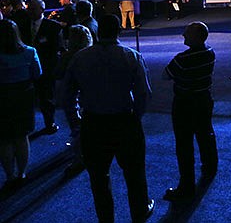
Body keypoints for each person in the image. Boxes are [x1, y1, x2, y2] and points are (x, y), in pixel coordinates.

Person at [62, 15, 154, 222]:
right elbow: (144, 93)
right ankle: (139, 211)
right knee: (134, 173)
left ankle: (106, 217)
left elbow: (66, 94)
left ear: (97, 31)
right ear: (119, 31)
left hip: (93, 123)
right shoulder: (131, 56)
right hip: (124, 121)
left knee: (98, 176)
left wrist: (76, 120)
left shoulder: (80, 57)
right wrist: (135, 116)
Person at [163, 22, 217, 201]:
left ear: (194, 37)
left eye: (186, 33)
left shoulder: (182, 59)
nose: (183, 35)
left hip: (184, 103)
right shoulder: (210, 53)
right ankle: (210, 167)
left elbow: (166, 74)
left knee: (184, 144)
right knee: (205, 134)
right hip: (204, 99)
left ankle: (186, 186)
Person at [0, 19, 41, 192]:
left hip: (2, 96)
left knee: (5, 138)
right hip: (23, 96)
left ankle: (9, 175)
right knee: (21, 136)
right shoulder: (30, 52)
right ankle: (22, 173)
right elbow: (37, 73)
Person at [55, 25, 93, 177]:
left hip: (72, 97)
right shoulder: (91, 54)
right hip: (87, 96)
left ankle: (80, 158)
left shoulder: (69, 56)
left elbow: (58, 74)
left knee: (77, 128)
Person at [23, 0, 63, 134]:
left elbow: (57, 49)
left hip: (46, 68)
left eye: (33, 9)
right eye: (29, 9)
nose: (30, 11)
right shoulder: (23, 25)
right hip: (27, 69)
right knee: (29, 98)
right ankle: (29, 125)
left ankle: (49, 123)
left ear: (42, 9)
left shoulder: (53, 26)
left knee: (47, 98)